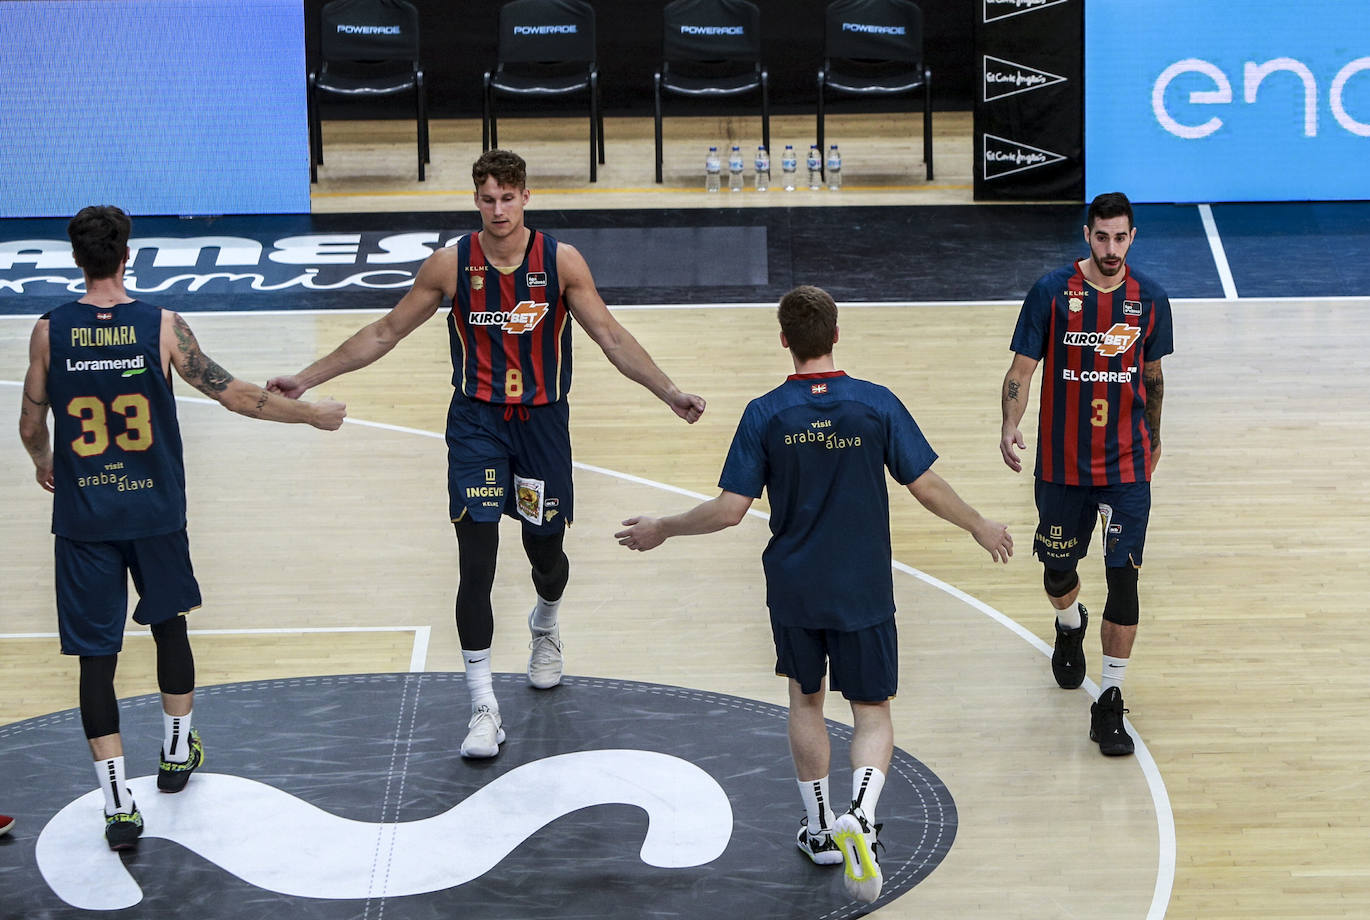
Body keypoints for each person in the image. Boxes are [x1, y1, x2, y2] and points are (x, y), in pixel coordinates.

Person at [268, 149, 704, 760]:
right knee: (477, 555)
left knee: (544, 551)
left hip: (542, 427)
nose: (498, 210)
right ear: (475, 200)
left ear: (526, 197)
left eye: (508, 197)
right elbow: (384, 332)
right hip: (476, 423)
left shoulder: (561, 261)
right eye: (487, 198)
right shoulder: (450, 266)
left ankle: (545, 623)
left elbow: (610, 335)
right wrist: (306, 379)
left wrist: (669, 392)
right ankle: (482, 706)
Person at [616, 285, 1012, 903]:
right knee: (871, 710)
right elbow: (925, 484)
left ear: (784, 341)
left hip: (796, 588)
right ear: (835, 335)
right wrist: (980, 525)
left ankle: (821, 828)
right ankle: (862, 810)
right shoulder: (875, 405)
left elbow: (728, 511)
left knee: (806, 701)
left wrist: (663, 528)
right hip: (863, 587)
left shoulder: (765, 414)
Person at [17, 205, 347, 851]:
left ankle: (117, 805)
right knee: (170, 626)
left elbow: (32, 424)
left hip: (86, 516)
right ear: (127, 253)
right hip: (155, 509)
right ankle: (175, 753)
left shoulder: (49, 332)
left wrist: (43, 461)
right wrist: (309, 414)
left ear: (77, 258)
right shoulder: (163, 326)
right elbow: (232, 393)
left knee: (96, 660)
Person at [1000, 191, 1172, 757]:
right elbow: (1021, 370)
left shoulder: (1149, 299)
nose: (1112, 248)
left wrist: (1155, 437)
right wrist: (1009, 424)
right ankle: (1070, 624)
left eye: (1121, 237)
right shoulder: (1052, 293)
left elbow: (1151, 380)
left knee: (1125, 576)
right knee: (1056, 571)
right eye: (1102, 237)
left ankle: (1111, 700)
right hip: (1063, 464)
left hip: (1125, 464)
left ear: (1132, 237)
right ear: (1086, 235)